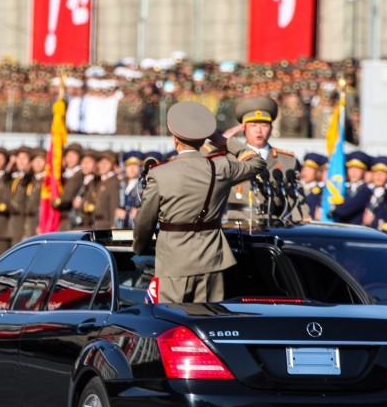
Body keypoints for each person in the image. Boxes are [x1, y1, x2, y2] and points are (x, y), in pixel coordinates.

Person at [133, 100, 265, 303]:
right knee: (208, 318)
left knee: (171, 319)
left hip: (174, 261)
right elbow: (257, 163)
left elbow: (145, 221)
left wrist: (140, 248)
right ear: (204, 139)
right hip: (212, 261)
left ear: (175, 139)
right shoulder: (221, 167)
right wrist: (223, 140)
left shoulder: (160, 173)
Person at [330, 151, 371, 225]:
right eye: (351, 168)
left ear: (364, 171)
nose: (353, 172)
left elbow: (343, 210)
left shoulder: (365, 192)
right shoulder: (344, 188)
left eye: (358, 168)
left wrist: (332, 208)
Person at [85, 151, 121, 230]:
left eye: (106, 163)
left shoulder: (114, 182)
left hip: (106, 225)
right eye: (101, 163)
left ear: (113, 165)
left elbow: (114, 206)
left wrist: (113, 225)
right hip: (96, 224)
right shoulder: (98, 181)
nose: (102, 166)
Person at [7, 146, 33, 243]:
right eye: (19, 158)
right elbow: (4, 181)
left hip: (23, 222)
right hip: (13, 223)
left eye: (24, 158)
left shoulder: (31, 178)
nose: (21, 161)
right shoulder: (16, 178)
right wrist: (11, 163)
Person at [363, 157, 387, 231]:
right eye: (375, 173)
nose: (378, 176)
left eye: (383, 173)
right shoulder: (366, 192)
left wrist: (374, 222)